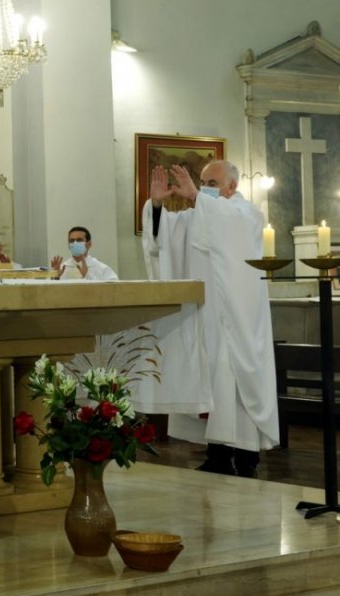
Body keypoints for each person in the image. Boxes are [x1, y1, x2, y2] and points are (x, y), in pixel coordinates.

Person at [139, 160, 277, 478]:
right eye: (202, 182)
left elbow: (225, 225)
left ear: (232, 187)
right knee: (212, 383)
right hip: (207, 318)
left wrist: (196, 197)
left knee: (235, 384)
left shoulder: (246, 215)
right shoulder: (196, 215)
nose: (204, 189)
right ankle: (217, 454)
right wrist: (158, 204)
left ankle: (246, 457)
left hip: (238, 321)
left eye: (212, 183)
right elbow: (164, 241)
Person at [50, 226, 119, 281]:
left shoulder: (102, 269)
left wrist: (87, 275)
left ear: (89, 244)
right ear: (68, 245)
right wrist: (54, 278)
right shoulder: (62, 268)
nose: (75, 243)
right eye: (71, 240)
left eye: (79, 240)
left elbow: (114, 290)